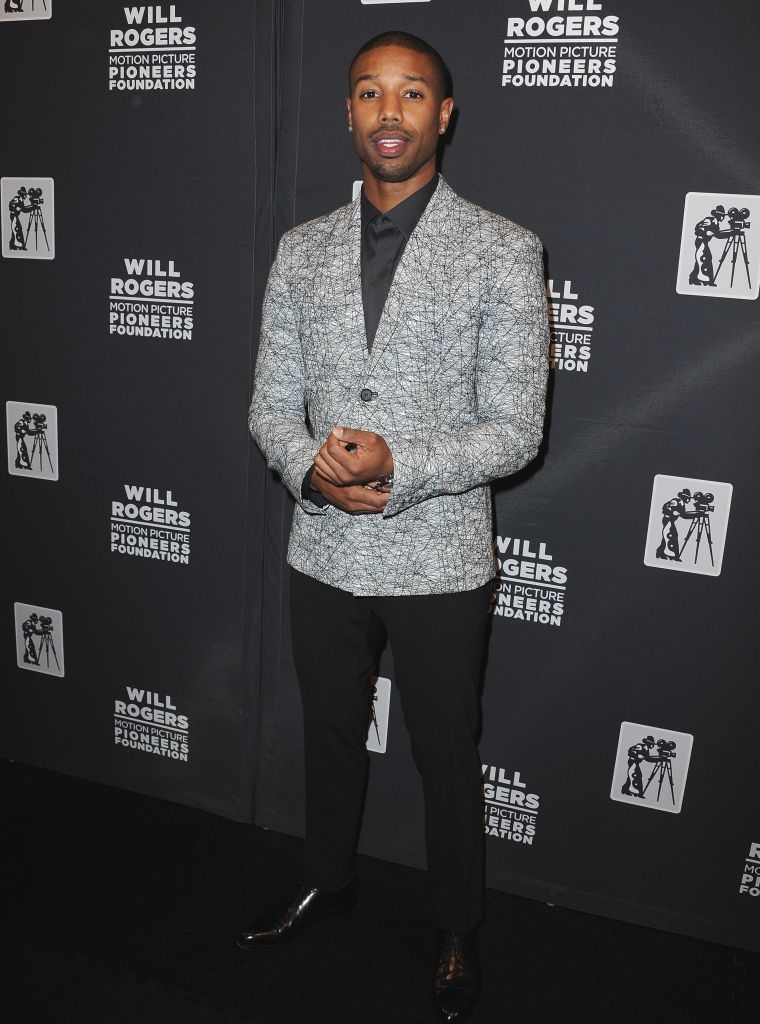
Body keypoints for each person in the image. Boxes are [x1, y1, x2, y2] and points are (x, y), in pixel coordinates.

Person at [245, 30, 548, 1023]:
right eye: (369, 92)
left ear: (442, 114)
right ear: (347, 113)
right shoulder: (299, 250)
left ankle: (458, 925)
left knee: (444, 755)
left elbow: (516, 429)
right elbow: (267, 406)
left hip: (439, 559)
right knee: (330, 736)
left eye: (410, 93)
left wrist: (402, 469)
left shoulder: (504, 250)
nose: (388, 110)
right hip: (323, 551)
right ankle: (329, 882)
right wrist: (309, 472)